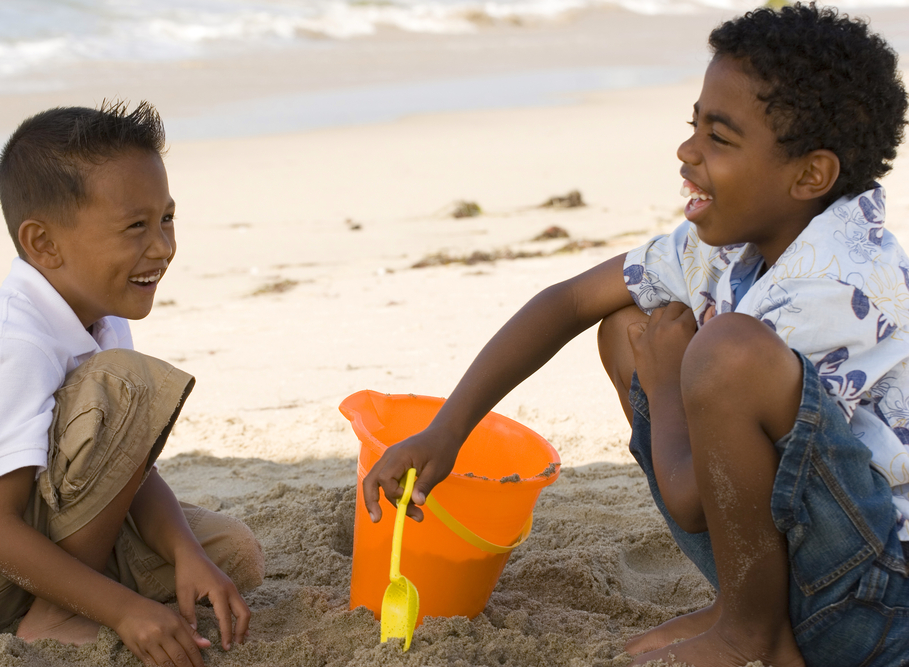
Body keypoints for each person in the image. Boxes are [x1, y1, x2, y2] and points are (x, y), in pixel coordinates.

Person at [362, 5, 909, 666]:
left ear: (809, 175)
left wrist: (666, 384)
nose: (687, 152)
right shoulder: (734, 243)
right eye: (693, 125)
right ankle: (745, 608)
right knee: (626, 327)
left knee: (719, 352)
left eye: (720, 137)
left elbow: (690, 499)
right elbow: (567, 301)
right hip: (808, 572)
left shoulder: (835, 284)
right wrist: (445, 432)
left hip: (875, 600)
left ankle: (750, 632)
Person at [0, 101, 264, 667]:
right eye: (135, 227)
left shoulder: (103, 311)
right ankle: (50, 620)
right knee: (130, 384)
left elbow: (126, 462)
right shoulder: (12, 344)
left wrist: (187, 552)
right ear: (44, 244)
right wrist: (125, 612)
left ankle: (80, 600)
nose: (163, 247)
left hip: (43, 533)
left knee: (231, 554)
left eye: (166, 219)